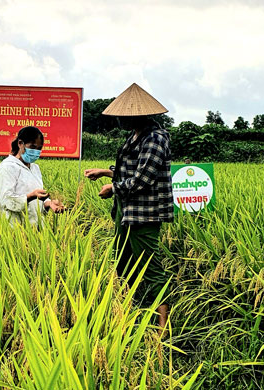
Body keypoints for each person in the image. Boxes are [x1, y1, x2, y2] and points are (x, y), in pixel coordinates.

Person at [84, 83, 173, 331]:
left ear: (136, 115)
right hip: (125, 212)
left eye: (123, 116)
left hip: (144, 214)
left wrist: (113, 188)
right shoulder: (133, 136)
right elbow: (129, 171)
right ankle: (125, 313)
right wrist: (106, 172)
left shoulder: (155, 138)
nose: (120, 120)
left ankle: (163, 329)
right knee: (123, 263)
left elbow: (144, 178)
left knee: (149, 266)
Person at [0, 126, 64, 227]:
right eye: (32, 147)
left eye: (39, 148)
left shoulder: (35, 168)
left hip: (36, 228)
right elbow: (5, 200)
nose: (36, 151)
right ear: (20, 143)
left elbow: (38, 201)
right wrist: (29, 197)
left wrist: (49, 204)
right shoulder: (7, 167)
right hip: (16, 229)